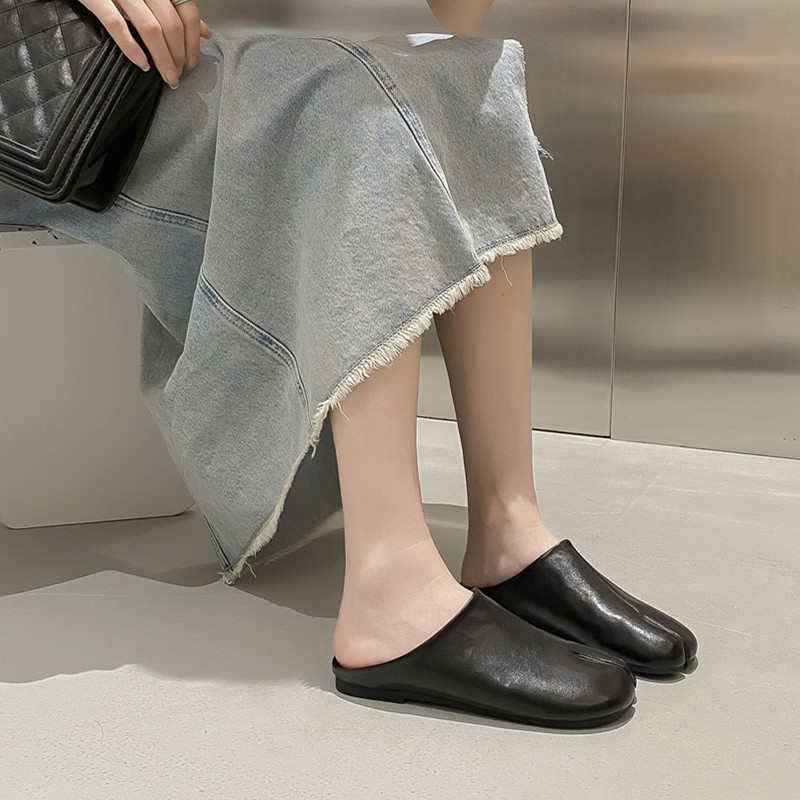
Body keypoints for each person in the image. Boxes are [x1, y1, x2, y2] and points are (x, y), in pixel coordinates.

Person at [1, 0, 696, 729]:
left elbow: (458, 18)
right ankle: (389, 590)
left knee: (463, 76)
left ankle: (508, 529)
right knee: (347, 98)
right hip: (47, 88)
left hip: (152, 59)